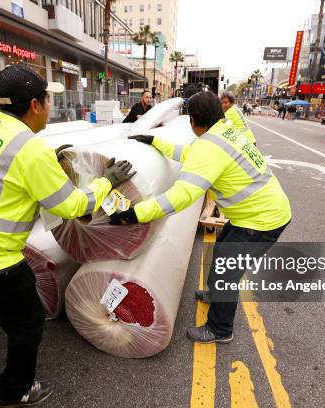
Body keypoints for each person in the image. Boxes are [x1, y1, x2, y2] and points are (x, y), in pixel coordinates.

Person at [0, 65, 135, 407]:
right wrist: (106, 181)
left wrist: (48, 165)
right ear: (36, 105)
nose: (50, 106)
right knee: (27, 324)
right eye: (47, 100)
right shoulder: (31, 150)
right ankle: (15, 390)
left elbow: (8, 169)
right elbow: (72, 206)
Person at [119, 91, 292, 344]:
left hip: (261, 221)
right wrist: (154, 141)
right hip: (256, 214)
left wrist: (136, 213)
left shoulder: (210, 146)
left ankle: (220, 330)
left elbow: (182, 195)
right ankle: (214, 294)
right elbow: (187, 154)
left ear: (193, 121)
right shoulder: (225, 132)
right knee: (221, 249)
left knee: (227, 273)